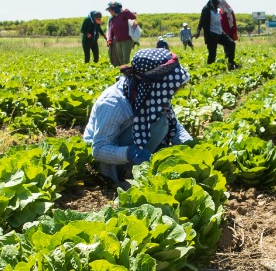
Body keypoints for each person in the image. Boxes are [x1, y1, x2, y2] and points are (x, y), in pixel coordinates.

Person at [82, 47, 194, 186]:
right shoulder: (113, 103)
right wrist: (129, 153)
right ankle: (124, 174)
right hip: (109, 157)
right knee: (159, 122)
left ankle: (142, 165)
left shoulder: (151, 94)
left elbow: (175, 125)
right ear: (153, 84)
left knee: (163, 124)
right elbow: (99, 150)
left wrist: (191, 147)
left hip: (132, 141)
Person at [196, 0, 239, 69]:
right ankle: (209, 69)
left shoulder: (216, 8)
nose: (220, 1)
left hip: (220, 33)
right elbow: (201, 21)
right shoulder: (206, 9)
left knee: (231, 44)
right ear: (213, 1)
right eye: (218, 0)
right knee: (212, 54)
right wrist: (198, 31)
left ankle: (231, 63)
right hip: (211, 35)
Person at [105, 1, 137, 66]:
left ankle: (129, 73)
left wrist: (127, 11)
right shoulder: (113, 19)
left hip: (127, 40)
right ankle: (124, 71)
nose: (109, 12)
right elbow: (111, 31)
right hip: (118, 41)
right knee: (121, 59)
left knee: (125, 60)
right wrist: (110, 40)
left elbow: (133, 17)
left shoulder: (123, 14)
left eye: (110, 10)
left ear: (115, 9)